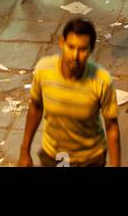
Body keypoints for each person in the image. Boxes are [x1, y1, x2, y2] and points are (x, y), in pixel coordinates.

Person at [19, 17, 120, 168]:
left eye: (82, 49)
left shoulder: (102, 81)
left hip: (90, 159)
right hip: (54, 157)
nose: (75, 56)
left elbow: (112, 127)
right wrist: (24, 151)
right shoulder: (43, 70)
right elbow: (36, 107)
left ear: (91, 50)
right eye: (71, 47)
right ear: (61, 43)